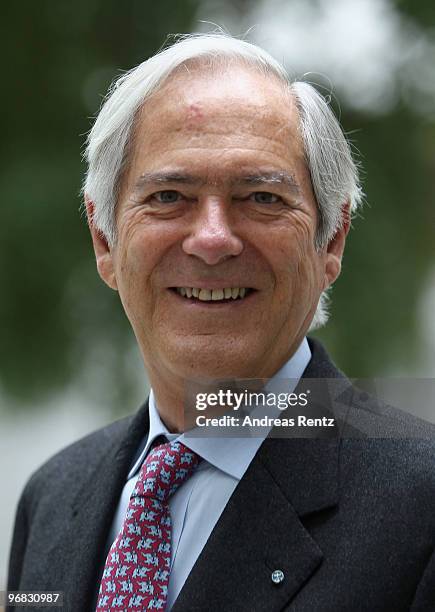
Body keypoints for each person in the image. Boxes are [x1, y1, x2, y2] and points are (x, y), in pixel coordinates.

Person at [7, 33, 435, 611]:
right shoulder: (52, 497)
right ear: (103, 238)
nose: (212, 239)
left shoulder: (421, 504)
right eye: (167, 196)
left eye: (260, 197)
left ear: (331, 239)